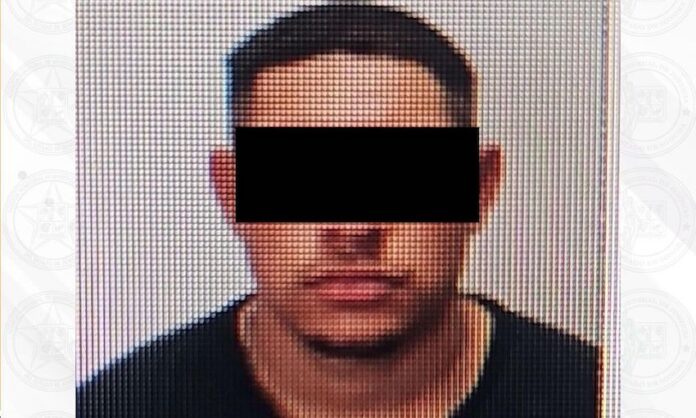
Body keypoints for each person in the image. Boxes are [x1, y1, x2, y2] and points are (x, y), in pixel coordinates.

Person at [78, 4, 598, 418]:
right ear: (231, 193)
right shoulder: (116, 407)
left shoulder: (602, 397)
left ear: (478, 187)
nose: (353, 229)